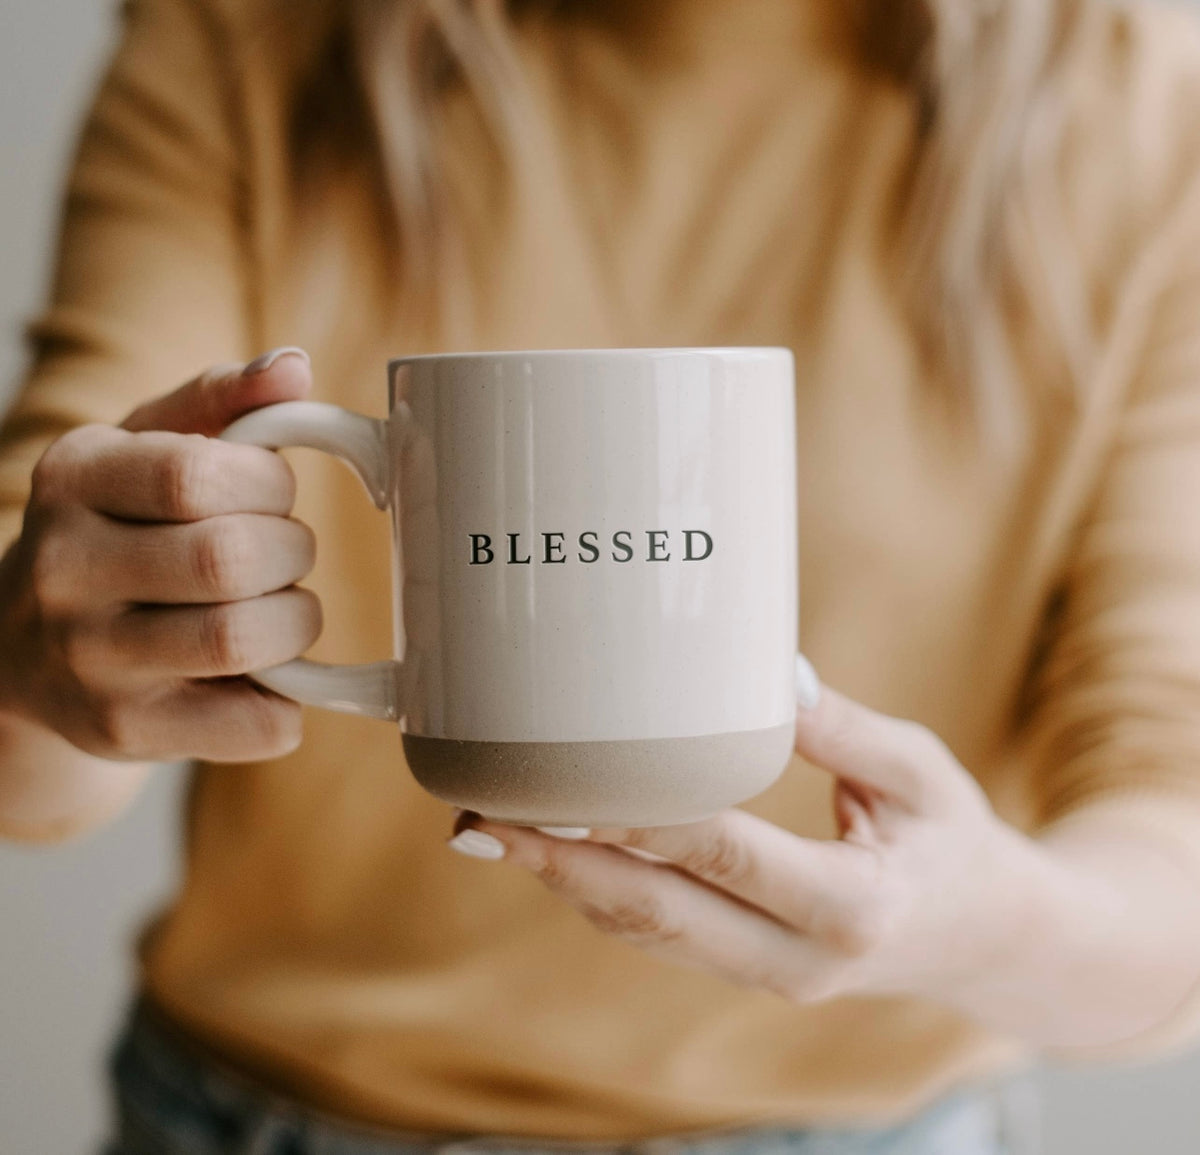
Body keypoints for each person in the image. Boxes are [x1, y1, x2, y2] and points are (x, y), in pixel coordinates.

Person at [4, 0, 1200, 1152]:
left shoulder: (1149, 113)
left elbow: (1172, 816)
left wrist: (978, 928)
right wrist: (50, 655)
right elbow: (31, 760)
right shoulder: (246, 38)